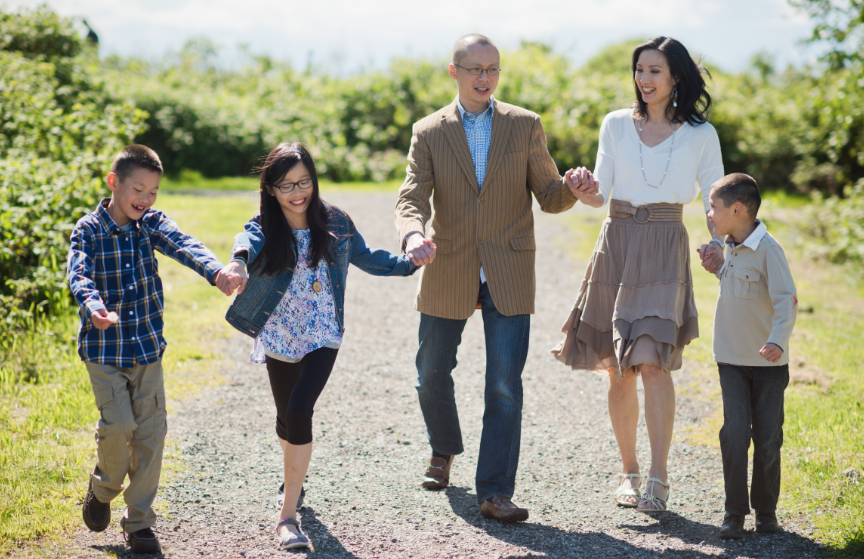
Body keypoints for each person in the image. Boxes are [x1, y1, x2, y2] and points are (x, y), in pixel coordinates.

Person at [395, 34, 597, 523]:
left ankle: (495, 491)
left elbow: (549, 194)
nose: (485, 78)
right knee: (430, 374)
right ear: (454, 71)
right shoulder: (428, 131)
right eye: (475, 69)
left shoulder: (525, 125)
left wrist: (571, 188)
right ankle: (443, 449)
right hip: (448, 264)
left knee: (504, 385)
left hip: (508, 266)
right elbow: (411, 198)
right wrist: (411, 236)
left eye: (493, 69)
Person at [551, 36, 726, 513]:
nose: (645, 79)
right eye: (640, 70)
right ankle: (628, 471)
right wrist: (581, 187)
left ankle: (659, 475)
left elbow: (715, 201)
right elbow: (598, 195)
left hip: (667, 244)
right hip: (618, 241)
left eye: (655, 71)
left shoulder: (701, 134)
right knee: (618, 369)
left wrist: (722, 243)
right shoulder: (614, 124)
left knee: (653, 361)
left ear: (675, 78)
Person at [219, 143, 424, 550]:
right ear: (271, 190)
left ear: (314, 180)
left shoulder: (334, 221)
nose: (297, 192)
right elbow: (246, 240)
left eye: (304, 182)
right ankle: (292, 480)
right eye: (286, 185)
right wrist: (238, 262)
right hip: (280, 331)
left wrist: (409, 262)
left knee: (299, 410)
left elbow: (367, 256)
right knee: (284, 418)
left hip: (323, 332)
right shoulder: (266, 223)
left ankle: (288, 516)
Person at [68, 145, 228, 554]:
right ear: (113, 182)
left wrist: (216, 272)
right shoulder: (88, 229)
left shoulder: (150, 224)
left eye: (153, 191)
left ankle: (138, 523)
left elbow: (183, 243)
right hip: (105, 352)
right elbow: (79, 272)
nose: (145, 198)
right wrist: (93, 306)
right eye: (138, 189)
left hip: (147, 350)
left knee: (151, 435)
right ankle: (103, 489)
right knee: (120, 428)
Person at [700, 173, 797, 539]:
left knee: (768, 437)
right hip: (731, 360)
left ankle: (766, 511)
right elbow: (739, 288)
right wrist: (719, 268)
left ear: (737, 210)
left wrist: (777, 339)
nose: (709, 213)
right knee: (734, 434)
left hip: (769, 364)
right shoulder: (731, 246)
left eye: (714, 207)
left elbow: (786, 301)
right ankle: (734, 513)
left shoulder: (769, 250)